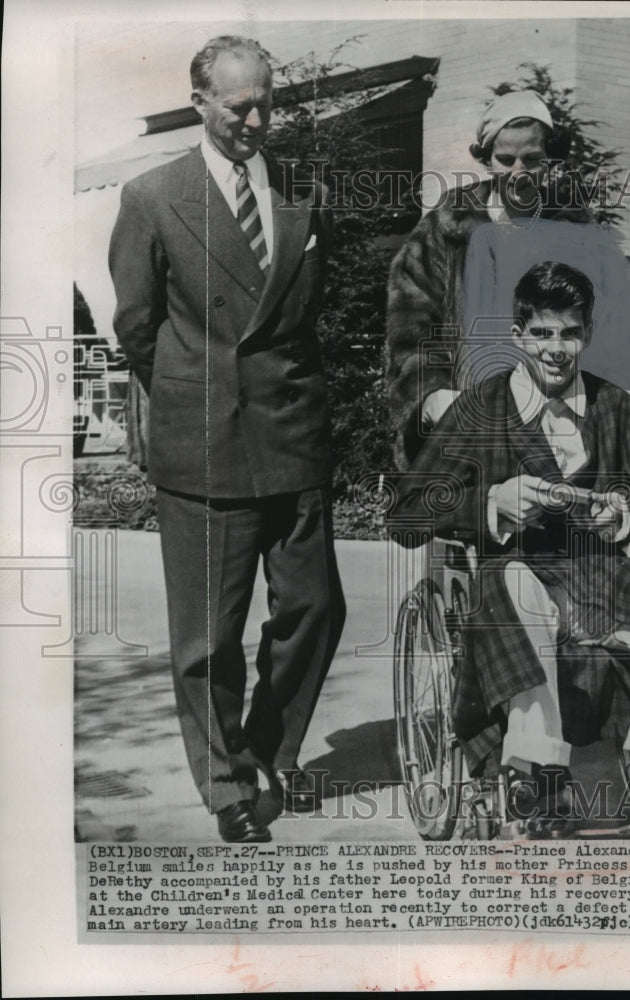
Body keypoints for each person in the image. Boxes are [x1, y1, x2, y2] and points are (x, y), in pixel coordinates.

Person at [109, 35, 346, 842]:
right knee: (208, 639)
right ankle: (224, 788)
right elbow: (137, 328)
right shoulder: (151, 196)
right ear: (200, 101)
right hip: (204, 439)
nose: (254, 119)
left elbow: (306, 315)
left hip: (291, 432)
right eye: (238, 105)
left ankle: (265, 751)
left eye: (264, 104)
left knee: (315, 608)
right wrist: (194, 394)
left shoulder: (300, 193)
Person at [390, 261, 630, 819]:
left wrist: (626, 509)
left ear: (587, 335)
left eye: (570, 333)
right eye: (543, 333)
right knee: (510, 584)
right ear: (518, 334)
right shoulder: (480, 409)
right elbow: (407, 514)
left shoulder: (613, 405)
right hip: (518, 574)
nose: (557, 348)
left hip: (603, 573)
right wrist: (490, 504)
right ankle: (538, 770)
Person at [384, 89, 590, 470]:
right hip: (464, 421)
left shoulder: (571, 230)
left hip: (552, 429)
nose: (518, 172)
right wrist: (429, 397)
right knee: (470, 522)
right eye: (505, 159)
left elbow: (597, 330)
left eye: (532, 159)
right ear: (485, 158)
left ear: (549, 162)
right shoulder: (445, 229)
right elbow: (409, 329)